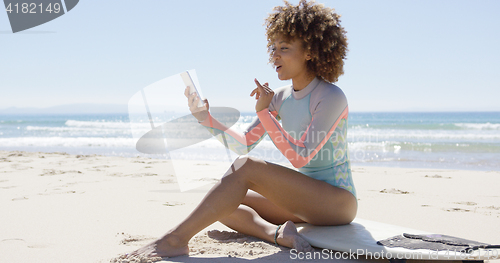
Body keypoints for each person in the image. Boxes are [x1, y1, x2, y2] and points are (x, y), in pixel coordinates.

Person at [127, 0, 356, 258]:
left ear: (309, 52)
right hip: (303, 197)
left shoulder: (330, 96)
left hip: (337, 203)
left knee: (243, 168)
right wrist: (206, 119)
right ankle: (277, 233)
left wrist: (263, 113)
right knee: (224, 199)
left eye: (284, 48)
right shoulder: (279, 97)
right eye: (273, 48)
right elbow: (245, 143)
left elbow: (300, 156)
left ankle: (175, 240)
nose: (275, 55)